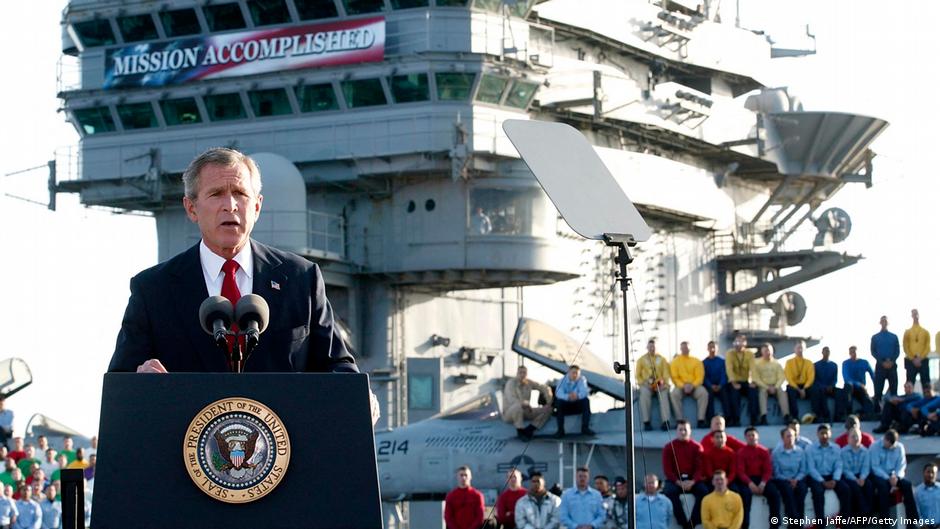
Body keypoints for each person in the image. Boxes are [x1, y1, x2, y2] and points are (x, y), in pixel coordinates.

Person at [108, 148, 360, 375]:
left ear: (257, 207)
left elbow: (339, 369)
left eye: (240, 193)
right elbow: (121, 385)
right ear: (191, 208)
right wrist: (141, 382)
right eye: (216, 194)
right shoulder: (153, 289)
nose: (230, 206)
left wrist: (358, 398)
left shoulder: (300, 279)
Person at [661, 420, 707, 529]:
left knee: (703, 491)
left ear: (690, 431)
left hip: (692, 480)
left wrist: (693, 481)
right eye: (680, 430)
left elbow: (700, 468)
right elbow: (667, 470)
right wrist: (678, 482)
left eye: (685, 429)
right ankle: (683, 523)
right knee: (670, 492)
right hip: (675, 480)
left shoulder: (697, 447)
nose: (683, 432)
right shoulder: (668, 447)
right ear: (676, 431)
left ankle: (693, 522)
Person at [736, 427, 781, 529]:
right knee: (744, 496)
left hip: (762, 479)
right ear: (745, 438)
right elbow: (740, 472)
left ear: (757, 436)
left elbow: (768, 470)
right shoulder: (741, 452)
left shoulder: (764, 451)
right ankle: (744, 525)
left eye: (753, 435)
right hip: (747, 481)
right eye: (749, 435)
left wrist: (763, 483)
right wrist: (750, 484)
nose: (751, 437)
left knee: (775, 494)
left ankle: (775, 524)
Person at [703, 431, 750, 528]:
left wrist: (726, 481)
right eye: (717, 437)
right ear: (712, 439)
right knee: (705, 492)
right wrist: (716, 481)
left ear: (726, 439)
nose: (719, 439)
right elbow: (708, 470)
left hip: (728, 481)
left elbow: (733, 470)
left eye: (721, 437)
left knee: (738, 492)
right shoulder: (709, 454)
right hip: (713, 481)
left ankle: (742, 524)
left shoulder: (731, 453)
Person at [868, 430, 918, 519]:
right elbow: (875, 467)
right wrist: (888, 478)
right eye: (889, 445)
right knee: (883, 488)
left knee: (907, 485)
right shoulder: (874, 447)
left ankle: (913, 520)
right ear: (885, 439)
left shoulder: (899, 447)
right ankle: (885, 520)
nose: (891, 447)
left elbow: (901, 465)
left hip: (895, 476)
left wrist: (896, 477)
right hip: (880, 475)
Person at [804, 424, 849, 521]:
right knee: (818, 493)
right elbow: (811, 468)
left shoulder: (836, 448)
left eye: (826, 433)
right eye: (822, 433)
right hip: (817, 478)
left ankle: (845, 523)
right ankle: (821, 524)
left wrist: (835, 479)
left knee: (846, 490)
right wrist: (822, 481)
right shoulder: (810, 449)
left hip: (832, 477)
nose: (824, 436)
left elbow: (839, 465)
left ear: (830, 433)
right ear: (817, 434)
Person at [504, 365, 554, 440]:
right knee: (518, 406)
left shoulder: (528, 382)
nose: (522, 374)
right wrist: (524, 403)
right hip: (510, 412)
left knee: (549, 409)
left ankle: (530, 429)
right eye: (520, 372)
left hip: (526, 410)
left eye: (524, 373)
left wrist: (549, 402)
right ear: (517, 373)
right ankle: (520, 431)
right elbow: (511, 399)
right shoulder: (510, 383)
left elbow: (544, 387)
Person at [770, 427, 808, 522]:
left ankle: (799, 521)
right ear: (782, 438)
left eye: (792, 436)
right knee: (787, 490)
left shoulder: (800, 451)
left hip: (797, 478)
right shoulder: (776, 453)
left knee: (802, 490)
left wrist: (796, 479)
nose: (790, 438)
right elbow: (776, 472)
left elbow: (803, 470)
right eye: (788, 436)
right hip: (782, 480)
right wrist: (788, 480)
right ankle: (793, 520)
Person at [669, 341, 709, 428]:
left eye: (686, 348)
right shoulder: (675, 362)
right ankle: (679, 420)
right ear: (680, 349)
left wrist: (692, 385)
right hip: (681, 387)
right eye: (683, 348)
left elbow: (700, 376)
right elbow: (674, 377)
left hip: (694, 386)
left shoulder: (696, 361)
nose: (685, 350)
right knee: (674, 394)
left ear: (690, 349)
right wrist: (683, 386)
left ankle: (701, 420)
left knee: (703, 393)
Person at [750, 343, 789, 425]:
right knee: (762, 393)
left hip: (775, 386)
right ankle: (763, 416)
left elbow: (781, 377)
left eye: (769, 351)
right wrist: (766, 387)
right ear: (762, 352)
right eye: (765, 351)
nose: (768, 353)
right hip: (763, 386)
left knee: (782, 392)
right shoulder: (756, 363)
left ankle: (786, 416)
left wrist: (776, 387)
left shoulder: (777, 363)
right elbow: (755, 378)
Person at [636, 340, 671, 431]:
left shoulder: (662, 359)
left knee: (663, 395)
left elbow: (666, 374)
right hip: (646, 384)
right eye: (650, 347)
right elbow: (637, 375)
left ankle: (665, 421)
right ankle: (646, 421)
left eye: (653, 347)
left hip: (659, 385)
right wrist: (643, 383)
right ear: (647, 347)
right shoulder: (641, 360)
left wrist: (664, 384)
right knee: (644, 395)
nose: (652, 348)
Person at [839, 428, 873, 521]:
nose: (856, 438)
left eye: (858, 436)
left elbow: (866, 467)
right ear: (848, 439)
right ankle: (863, 513)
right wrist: (855, 479)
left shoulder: (866, 451)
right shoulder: (843, 452)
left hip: (861, 475)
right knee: (854, 488)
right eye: (853, 436)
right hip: (849, 477)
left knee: (869, 486)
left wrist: (862, 478)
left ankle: (868, 514)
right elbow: (845, 469)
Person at [724, 334, 757, 427]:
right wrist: (733, 382)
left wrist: (753, 381)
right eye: (736, 342)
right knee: (734, 394)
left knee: (753, 392)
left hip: (745, 381)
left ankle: (754, 418)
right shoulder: (730, 353)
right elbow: (729, 369)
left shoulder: (750, 354)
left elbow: (753, 368)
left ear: (744, 343)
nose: (737, 344)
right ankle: (736, 419)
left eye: (740, 342)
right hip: (734, 381)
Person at [554, 365, 594, 437]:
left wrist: (577, 396)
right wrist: (568, 396)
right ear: (569, 372)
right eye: (573, 373)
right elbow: (558, 393)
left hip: (577, 405)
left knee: (586, 401)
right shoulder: (562, 380)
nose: (575, 375)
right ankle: (560, 430)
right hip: (566, 406)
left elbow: (584, 391)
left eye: (577, 373)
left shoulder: (582, 379)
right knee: (559, 402)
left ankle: (585, 428)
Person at [871, 315, 900, 411]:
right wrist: (882, 361)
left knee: (894, 390)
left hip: (892, 366)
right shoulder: (875, 337)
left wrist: (892, 361)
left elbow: (897, 351)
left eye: (885, 321)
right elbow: (873, 351)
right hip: (880, 366)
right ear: (880, 323)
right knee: (878, 390)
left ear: (888, 323)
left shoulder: (894, 337)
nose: (884, 323)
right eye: (882, 321)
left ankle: (894, 411)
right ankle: (877, 411)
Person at [785, 340, 815, 423]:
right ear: (794, 349)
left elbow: (811, 378)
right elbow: (789, 378)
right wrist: (798, 389)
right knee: (790, 390)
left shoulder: (809, 363)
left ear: (805, 349)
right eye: (798, 348)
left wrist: (804, 388)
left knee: (815, 390)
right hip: (794, 386)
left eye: (801, 348)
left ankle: (815, 414)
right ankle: (794, 416)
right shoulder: (789, 362)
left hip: (806, 386)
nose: (800, 350)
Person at [702, 341, 733, 423]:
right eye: (710, 347)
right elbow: (704, 377)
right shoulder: (704, 362)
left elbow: (724, 374)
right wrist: (710, 385)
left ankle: (728, 418)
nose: (712, 349)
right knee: (709, 396)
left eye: (714, 347)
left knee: (725, 395)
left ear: (717, 348)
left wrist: (720, 385)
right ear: (707, 349)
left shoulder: (722, 361)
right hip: (710, 386)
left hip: (721, 385)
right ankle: (710, 419)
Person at [841, 346, 875, 418]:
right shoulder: (845, 363)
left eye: (855, 351)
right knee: (848, 386)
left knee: (870, 404)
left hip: (861, 389)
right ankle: (848, 413)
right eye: (852, 352)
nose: (854, 353)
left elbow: (873, 376)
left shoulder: (864, 362)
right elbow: (846, 378)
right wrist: (859, 384)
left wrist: (878, 389)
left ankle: (862, 413)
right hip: (850, 389)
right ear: (849, 353)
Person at [811, 347, 843, 423]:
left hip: (831, 387)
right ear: (822, 352)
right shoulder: (816, 365)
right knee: (818, 392)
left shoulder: (834, 365)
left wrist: (832, 386)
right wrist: (824, 387)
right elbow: (815, 379)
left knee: (840, 392)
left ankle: (838, 416)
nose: (827, 353)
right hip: (820, 388)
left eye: (828, 351)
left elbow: (835, 378)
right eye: (825, 351)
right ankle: (823, 415)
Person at [903, 309, 931, 387]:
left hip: (923, 360)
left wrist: (920, 358)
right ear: (911, 316)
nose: (915, 316)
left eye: (916, 314)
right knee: (909, 383)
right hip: (910, 360)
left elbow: (928, 347)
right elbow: (905, 347)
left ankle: (928, 398)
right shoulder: (907, 332)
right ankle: (910, 398)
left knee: (926, 384)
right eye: (913, 314)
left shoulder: (925, 332)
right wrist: (913, 358)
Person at [914, 463, 939, 529]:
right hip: (924, 527)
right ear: (923, 473)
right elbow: (916, 511)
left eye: (933, 472)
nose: (930, 475)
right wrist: (922, 525)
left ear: (936, 474)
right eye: (928, 472)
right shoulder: (917, 491)